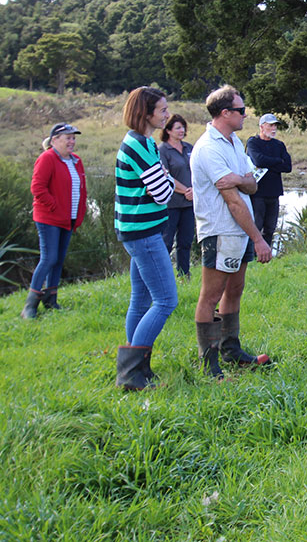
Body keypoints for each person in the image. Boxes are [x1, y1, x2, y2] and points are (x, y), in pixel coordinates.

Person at [191, 85, 273, 379]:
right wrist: (259, 238)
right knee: (211, 295)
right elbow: (233, 200)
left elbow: (252, 184)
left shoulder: (235, 143)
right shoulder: (209, 148)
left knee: (235, 289)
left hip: (239, 230)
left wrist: (237, 178)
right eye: (240, 110)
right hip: (221, 230)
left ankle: (232, 350)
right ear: (224, 113)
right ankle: (208, 361)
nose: (245, 115)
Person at [114, 87, 188, 390]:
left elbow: (161, 182)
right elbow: (161, 191)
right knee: (166, 300)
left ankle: (138, 368)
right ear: (146, 113)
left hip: (139, 230)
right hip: (143, 233)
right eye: (162, 110)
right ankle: (131, 374)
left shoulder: (142, 142)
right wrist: (164, 180)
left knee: (141, 298)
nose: (167, 115)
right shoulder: (140, 146)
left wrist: (163, 178)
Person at [21, 123, 87, 319]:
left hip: (69, 218)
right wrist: (55, 208)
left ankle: (51, 299)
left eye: (73, 138)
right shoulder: (47, 158)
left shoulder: (76, 161)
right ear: (54, 140)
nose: (72, 141)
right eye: (68, 137)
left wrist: (79, 214)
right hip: (49, 218)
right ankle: (30, 306)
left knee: (58, 259)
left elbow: (81, 190)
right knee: (49, 258)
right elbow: (38, 188)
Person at [246, 113, 293, 251]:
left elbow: (287, 167)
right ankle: (251, 255)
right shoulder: (253, 142)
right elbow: (258, 160)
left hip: (274, 192)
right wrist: (277, 161)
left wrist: (270, 163)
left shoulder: (279, 145)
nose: (274, 129)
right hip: (257, 192)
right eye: (270, 125)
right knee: (256, 225)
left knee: (270, 227)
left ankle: (266, 254)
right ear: (262, 126)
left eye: (275, 126)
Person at [159, 114, 196, 276]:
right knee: (166, 242)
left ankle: (183, 274)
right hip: (171, 204)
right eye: (178, 128)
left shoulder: (189, 148)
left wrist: (194, 191)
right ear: (168, 130)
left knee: (186, 241)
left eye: (183, 127)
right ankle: (163, 275)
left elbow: (199, 171)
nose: (182, 131)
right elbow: (165, 175)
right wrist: (185, 191)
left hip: (190, 204)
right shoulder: (162, 150)